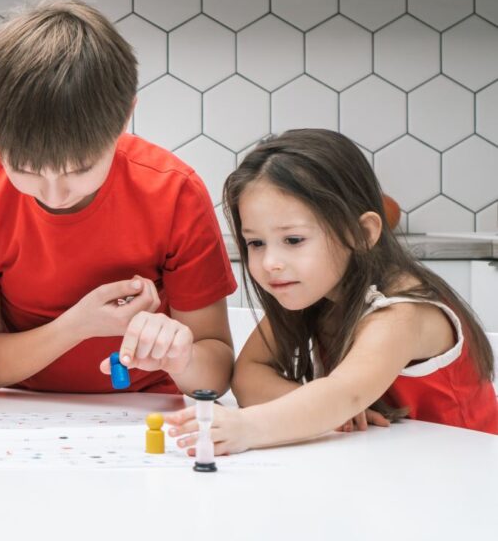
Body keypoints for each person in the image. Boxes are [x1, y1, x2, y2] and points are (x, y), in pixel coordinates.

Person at [0, 0, 236, 394]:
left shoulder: (174, 193)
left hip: (148, 412)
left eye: (79, 169)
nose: (54, 193)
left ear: (125, 117)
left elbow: (216, 372)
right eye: (26, 170)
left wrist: (179, 356)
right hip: (17, 412)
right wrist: (79, 326)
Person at [165, 129, 498, 454]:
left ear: (361, 233)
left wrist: (249, 427)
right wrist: (324, 411)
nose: (270, 262)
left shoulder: (402, 314)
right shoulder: (317, 291)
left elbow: (344, 393)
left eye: (293, 240)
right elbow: (248, 375)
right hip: (393, 469)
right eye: (256, 243)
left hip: (468, 475)